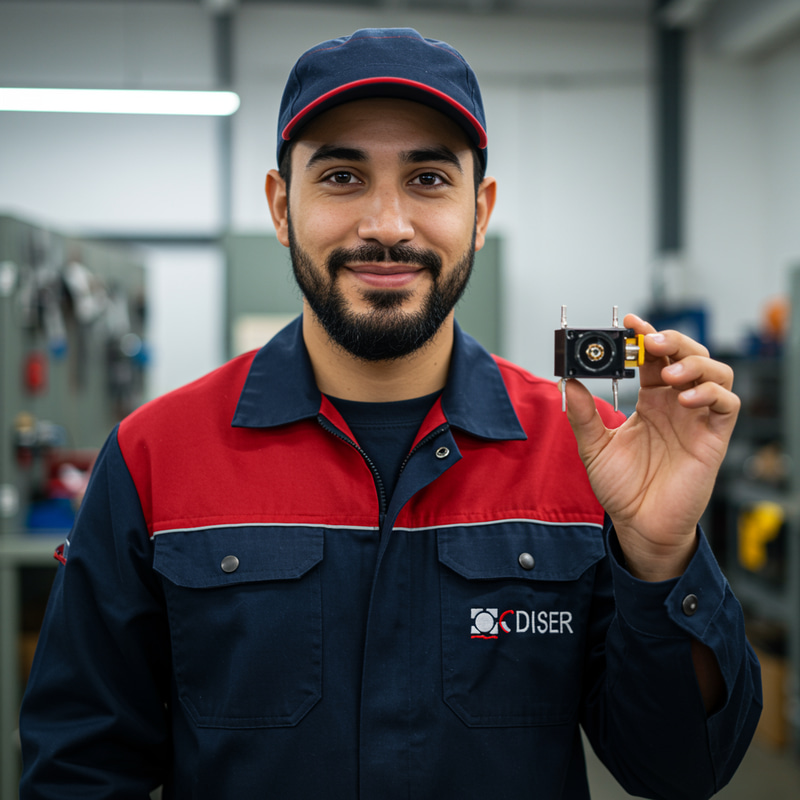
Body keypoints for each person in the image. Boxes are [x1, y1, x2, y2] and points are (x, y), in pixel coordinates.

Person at [20, 27, 761, 800]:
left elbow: (677, 769)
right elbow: (79, 769)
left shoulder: (586, 460)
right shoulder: (154, 457)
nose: (386, 225)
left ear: (480, 209)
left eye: (429, 179)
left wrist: (663, 555)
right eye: (341, 175)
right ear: (281, 206)